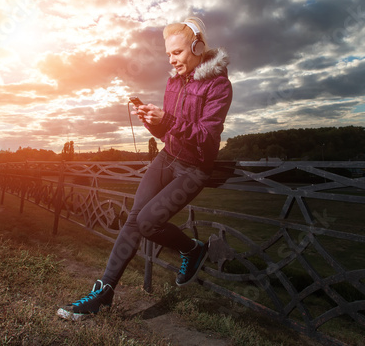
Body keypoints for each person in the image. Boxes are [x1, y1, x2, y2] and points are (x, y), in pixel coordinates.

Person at [57, 16, 233, 321]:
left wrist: (166, 120)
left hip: (194, 168)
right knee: (133, 220)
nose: (171, 59)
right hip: (168, 158)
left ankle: (192, 250)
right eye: (168, 54)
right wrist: (152, 121)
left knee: (149, 222)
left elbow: (207, 137)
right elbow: (168, 135)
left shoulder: (219, 85)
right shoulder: (172, 82)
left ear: (197, 46)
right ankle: (104, 292)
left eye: (177, 52)